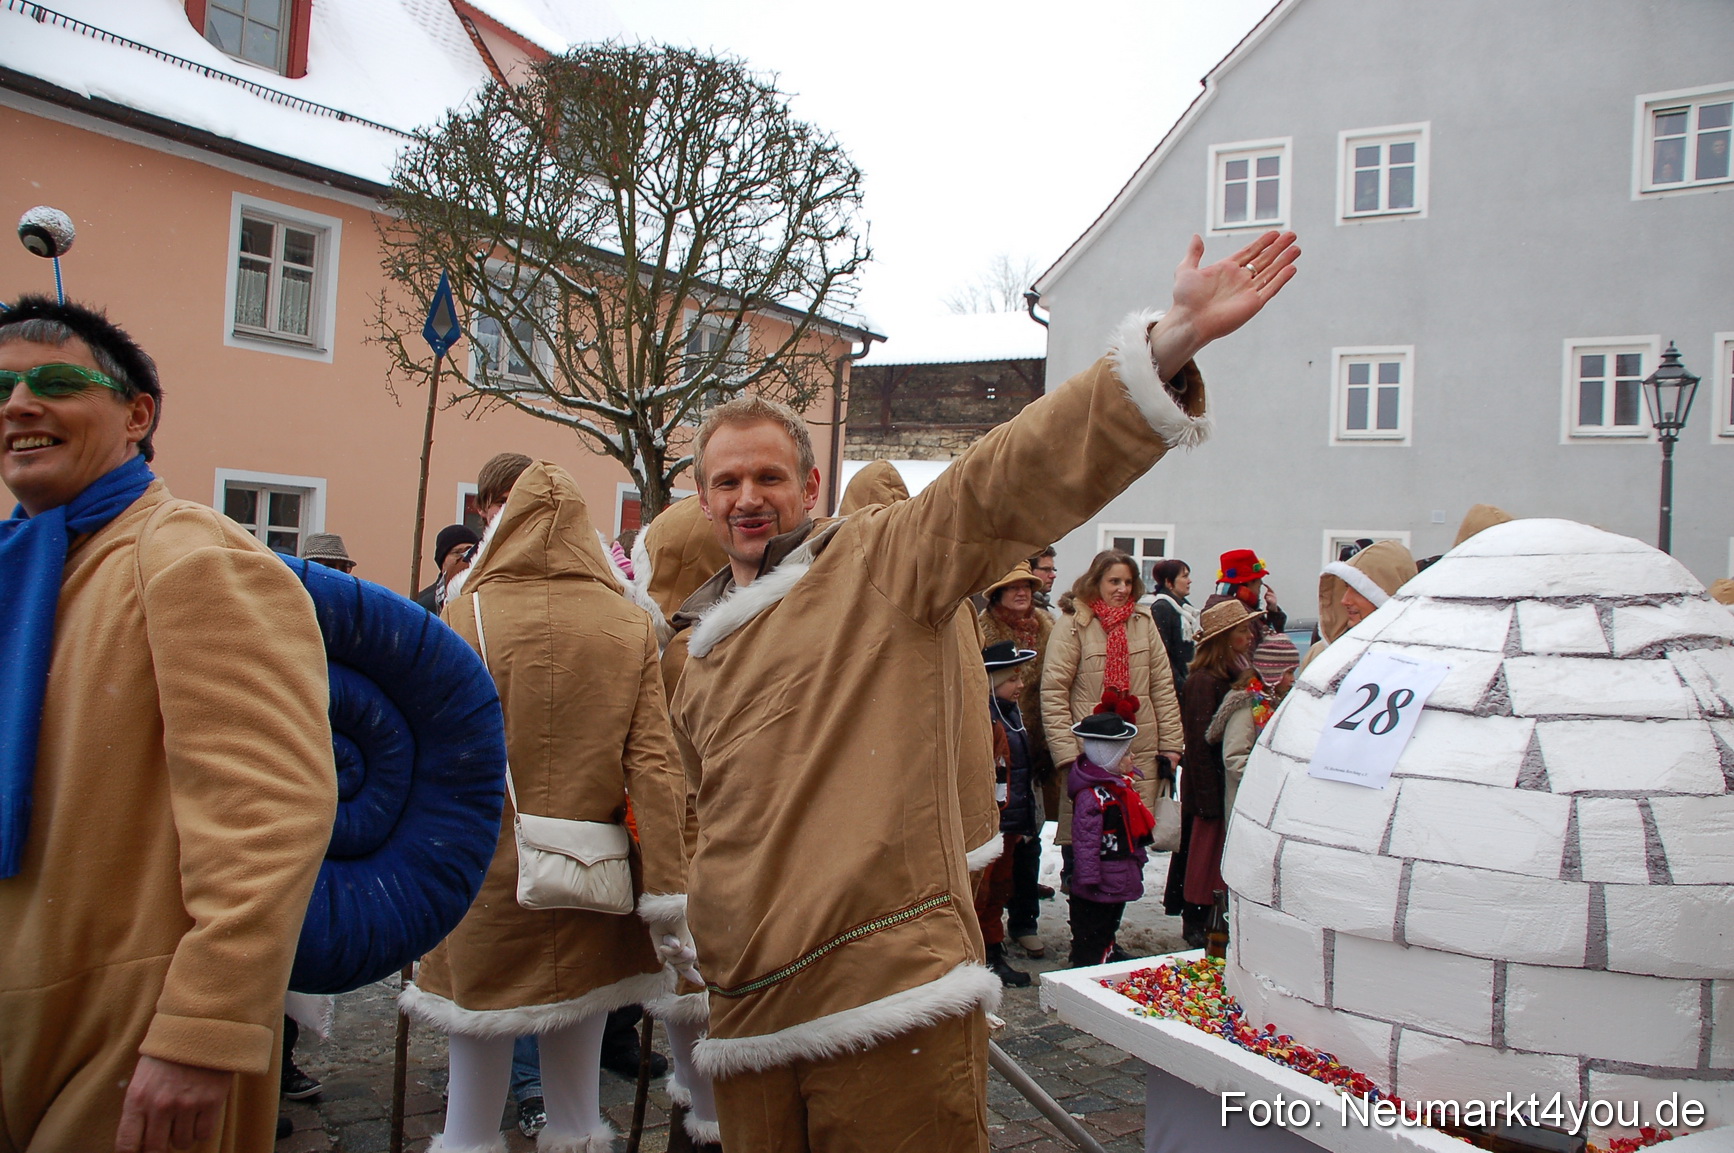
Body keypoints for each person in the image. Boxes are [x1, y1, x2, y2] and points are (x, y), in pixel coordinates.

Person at [668, 229, 1299, 1151]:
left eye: (770, 475)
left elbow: (1001, 480)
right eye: (727, 481)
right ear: (703, 496)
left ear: (811, 483)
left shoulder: (879, 560)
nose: (748, 497)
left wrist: (1165, 345)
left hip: (884, 989)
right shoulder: (696, 647)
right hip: (747, 1005)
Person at [0, 296, 337, 1152]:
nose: (18, 403)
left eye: (57, 380)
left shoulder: (190, 556)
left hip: (126, 1033)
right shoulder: (29, 563)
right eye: (2, 386)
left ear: (136, 414)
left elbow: (273, 809)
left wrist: (203, 1028)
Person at [401, 458, 692, 1153]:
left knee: (472, 1079)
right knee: (575, 1081)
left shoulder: (461, 615)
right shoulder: (626, 626)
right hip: (590, 875)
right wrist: (670, 889)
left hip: (482, 876)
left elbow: (426, 749)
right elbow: (654, 766)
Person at [1042, 550, 1183, 904]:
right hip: (1088, 756)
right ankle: (1086, 939)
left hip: (1138, 750)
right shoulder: (1074, 623)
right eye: (1113, 581)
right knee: (1087, 847)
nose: (1121, 589)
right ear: (1097, 582)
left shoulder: (1143, 621)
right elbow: (1054, 691)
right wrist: (1066, 754)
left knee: (1124, 849)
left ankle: (1109, 934)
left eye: (1127, 582)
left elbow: (1162, 687)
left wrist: (1172, 746)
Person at [1172, 600, 1262, 946]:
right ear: (1224, 639)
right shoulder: (1204, 681)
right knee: (1202, 861)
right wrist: (1209, 799)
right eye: (1241, 630)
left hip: (1219, 786)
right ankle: (1196, 922)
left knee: (1211, 860)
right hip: (1207, 788)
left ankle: (1210, 919)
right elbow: (1197, 744)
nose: (1249, 636)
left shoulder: (1231, 674)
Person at [977, 563, 1055, 957]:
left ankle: (1025, 921)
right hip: (997, 752)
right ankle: (990, 934)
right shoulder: (981, 631)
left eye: (1027, 586)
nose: (1022, 592)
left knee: (1029, 843)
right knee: (999, 854)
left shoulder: (1048, 628)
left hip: (1034, 744)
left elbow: (1057, 686)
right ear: (997, 593)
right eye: (1013, 587)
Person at [1065, 710, 1154, 968]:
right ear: (1110, 757)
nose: (1132, 757)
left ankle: (1107, 950)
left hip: (1118, 874)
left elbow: (1131, 833)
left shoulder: (1120, 788)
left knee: (1109, 922)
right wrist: (1089, 879)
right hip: (1101, 880)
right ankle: (1088, 965)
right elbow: (1085, 843)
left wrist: (1138, 859)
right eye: (1126, 753)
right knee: (1094, 928)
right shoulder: (1093, 796)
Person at [976, 640, 1041, 987]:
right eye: (1012, 680)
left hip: (1011, 820)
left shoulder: (1009, 714)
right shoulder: (986, 720)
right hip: (995, 823)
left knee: (1001, 888)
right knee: (984, 891)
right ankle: (986, 954)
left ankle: (993, 948)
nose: (1020, 686)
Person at [1210, 631, 1300, 818]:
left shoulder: (1280, 702)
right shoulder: (1246, 704)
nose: (1293, 679)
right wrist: (1266, 782)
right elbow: (1235, 757)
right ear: (1273, 672)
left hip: (1269, 801)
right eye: (1289, 672)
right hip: (1250, 805)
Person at [1299, 539, 1419, 671]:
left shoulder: (1419, 660)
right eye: (1346, 588)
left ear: (1385, 595)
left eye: (1358, 590)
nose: (1345, 600)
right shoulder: (1320, 655)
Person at [1205, 548, 1284, 640]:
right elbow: (1268, 646)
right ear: (1249, 582)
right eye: (1258, 582)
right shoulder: (1236, 612)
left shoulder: (1228, 604)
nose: (1261, 583)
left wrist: (1273, 612)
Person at [1149, 558, 1199, 692]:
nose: (1189, 581)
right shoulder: (1162, 608)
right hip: (1174, 687)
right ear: (1169, 583)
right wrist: (1182, 685)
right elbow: (1162, 654)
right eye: (1184, 576)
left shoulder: (1184, 610)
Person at [415, 523, 480, 611]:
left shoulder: (485, 591)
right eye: (457, 552)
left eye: (470, 551)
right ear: (442, 562)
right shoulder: (424, 605)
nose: (465, 557)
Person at [1028, 546, 1058, 613]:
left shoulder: (1041, 605)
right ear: (1029, 570)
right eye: (1046, 570)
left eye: (1053, 570)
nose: (1053, 576)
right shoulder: (1021, 610)